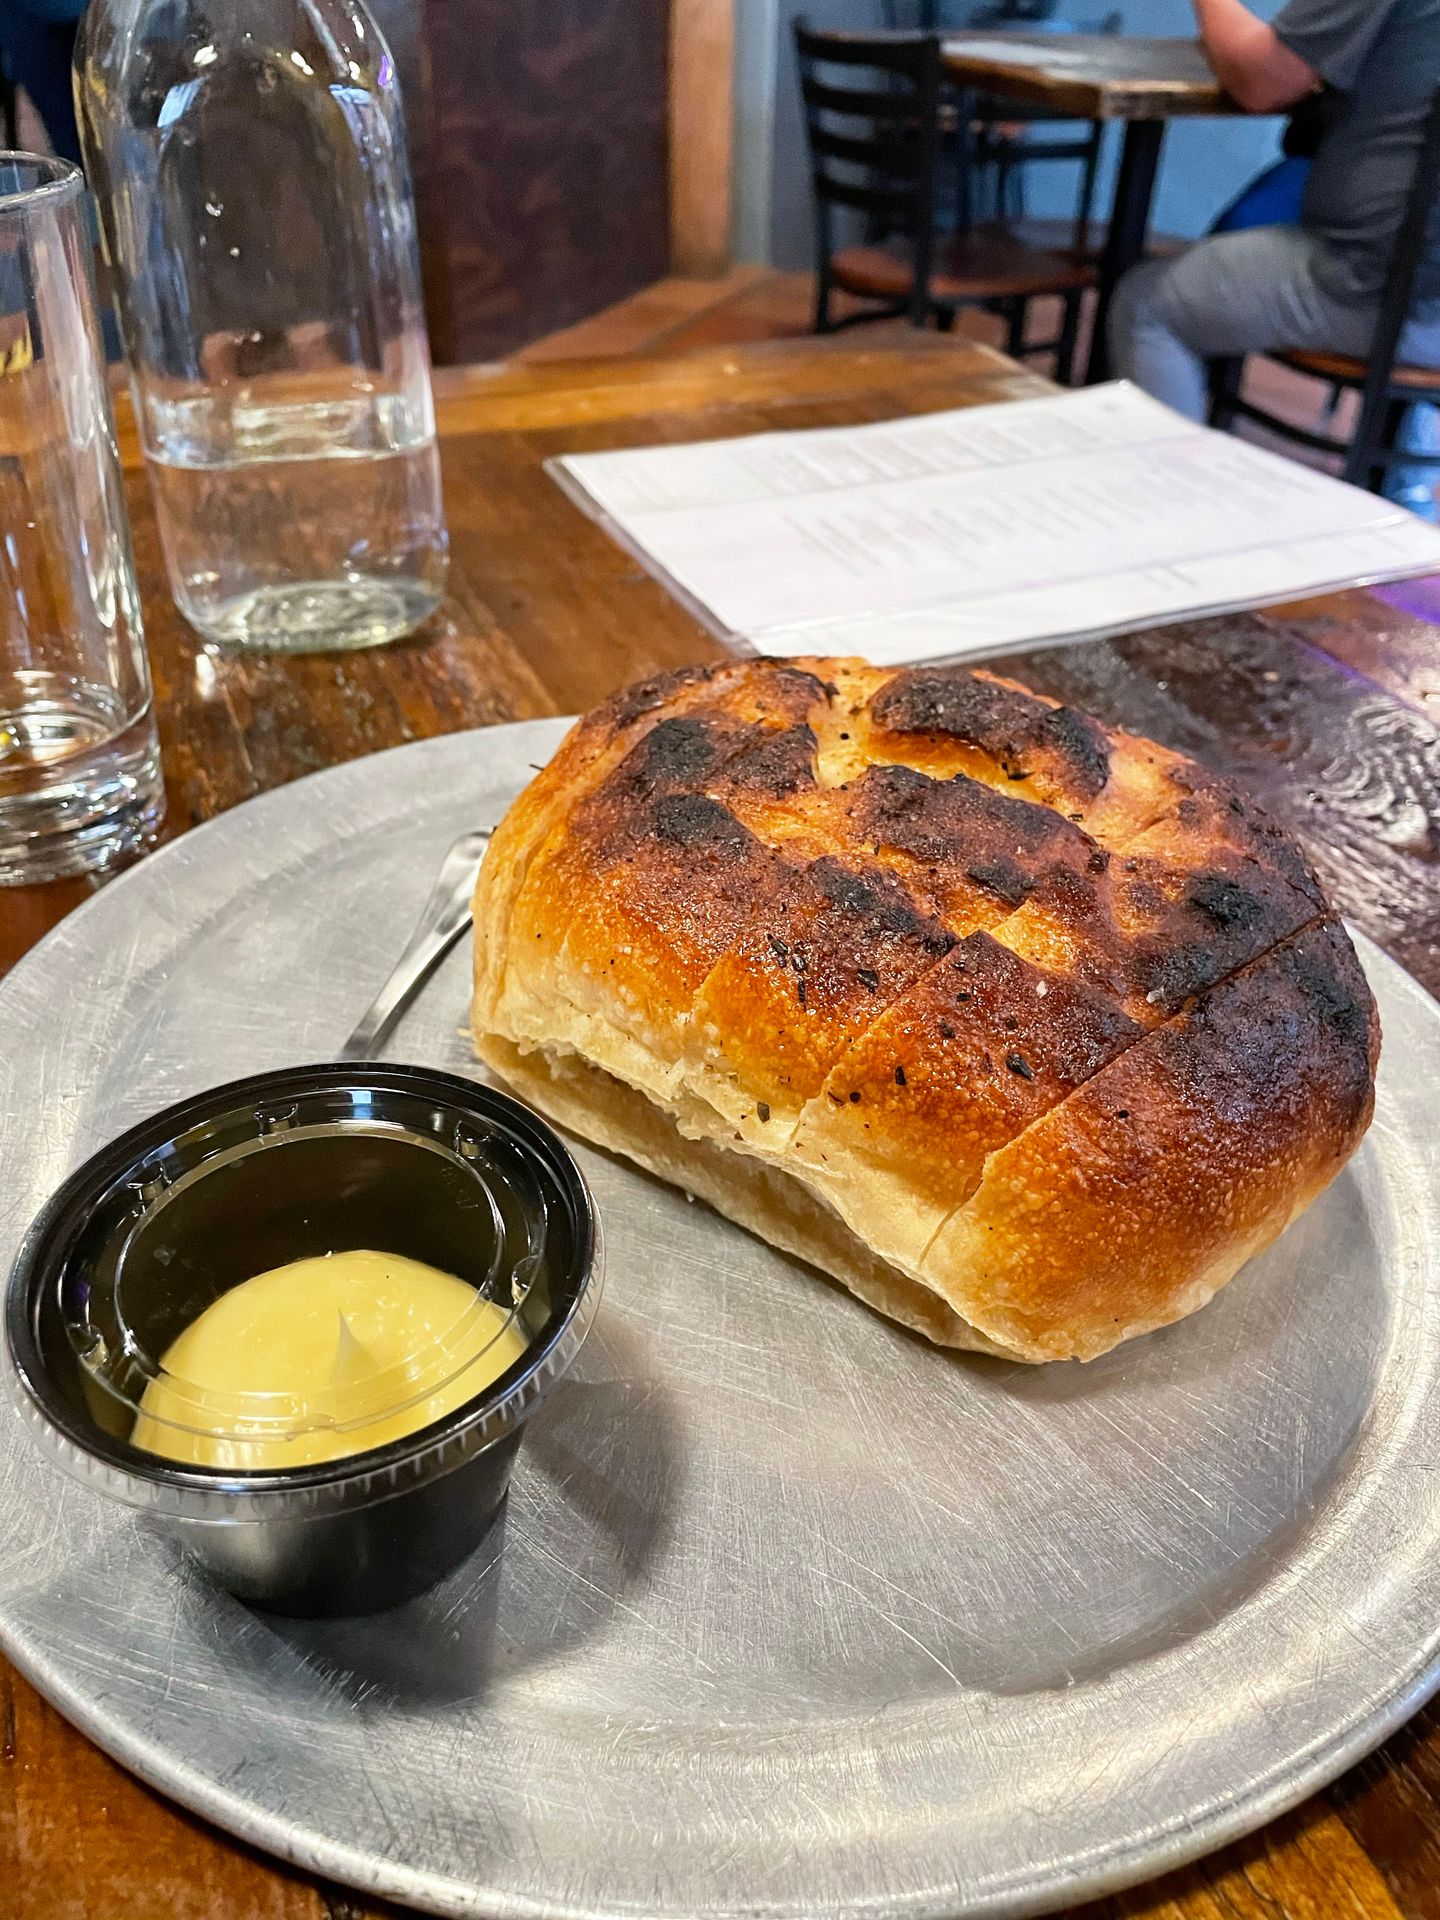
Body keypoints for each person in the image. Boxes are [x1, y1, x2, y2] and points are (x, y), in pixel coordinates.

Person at [1108, 0, 1440, 517]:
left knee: (1147, 303)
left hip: (1382, 289)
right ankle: (1408, 486)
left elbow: (1262, 79)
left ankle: (1168, 523)